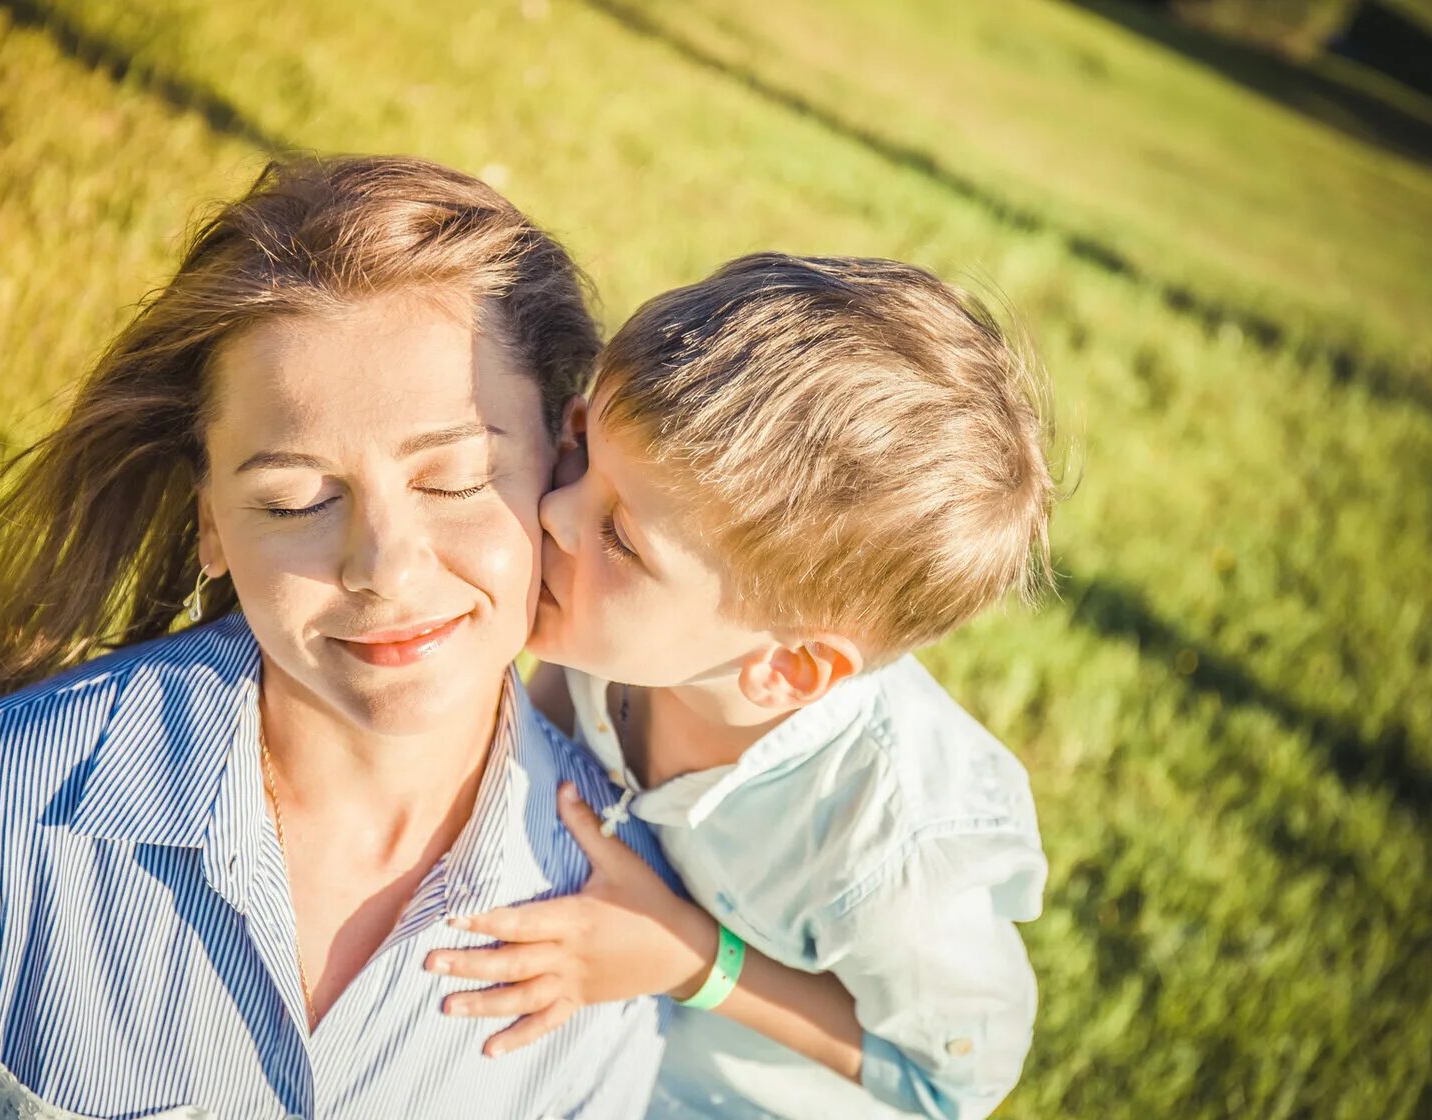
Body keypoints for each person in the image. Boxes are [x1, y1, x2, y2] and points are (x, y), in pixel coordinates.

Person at [0, 155, 671, 1120]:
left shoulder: (611, 907)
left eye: (456, 479)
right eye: (295, 499)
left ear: (561, 461)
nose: (382, 565)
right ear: (211, 521)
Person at [427, 254, 1055, 1119]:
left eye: (622, 538)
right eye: (580, 440)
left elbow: (955, 1077)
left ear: (784, 668)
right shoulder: (613, 631)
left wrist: (691, 959)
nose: (556, 513)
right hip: (591, 1057)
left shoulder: (888, 842)